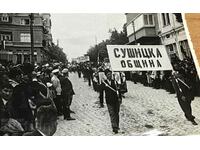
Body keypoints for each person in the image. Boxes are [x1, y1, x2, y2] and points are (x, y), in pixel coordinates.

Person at [103, 69, 122, 134]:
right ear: (106, 75)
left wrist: (120, 98)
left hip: (116, 100)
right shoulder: (104, 83)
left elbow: (118, 91)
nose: (110, 75)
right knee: (112, 114)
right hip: (109, 101)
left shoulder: (115, 82)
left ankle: (117, 125)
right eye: (108, 74)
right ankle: (114, 127)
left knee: (117, 113)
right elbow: (100, 90)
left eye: (110, 74)